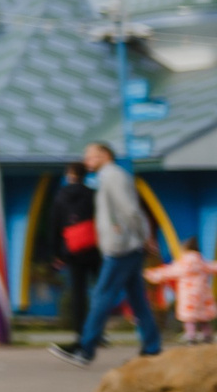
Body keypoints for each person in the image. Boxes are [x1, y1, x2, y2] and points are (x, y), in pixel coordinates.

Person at [55, 142, 162, 367]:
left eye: (90, 156)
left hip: (122, 247)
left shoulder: (114, 176)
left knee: (102, 295)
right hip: (124, 245)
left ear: (104, 155)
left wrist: (145, 237)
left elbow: (130, 210)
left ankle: (85, 348)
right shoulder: (107, 177)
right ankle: (152, 347)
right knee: (137, 300)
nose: (86, 161)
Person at [52, 162, 99, 331]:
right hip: (93, 247)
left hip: (72, 249)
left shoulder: (61, 196)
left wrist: (57, 253)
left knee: (78, 292)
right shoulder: (92, 194)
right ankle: (98, 330)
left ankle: (81, 331)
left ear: (69, 175)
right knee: (99, 290)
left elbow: (55, 225)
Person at [145, 237, 213, 347]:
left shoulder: (183, 263)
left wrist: (151, 274)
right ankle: (207, 336)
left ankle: (191, 337)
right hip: (203, 297)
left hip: (189, 298)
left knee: (189, 318)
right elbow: (213, 267)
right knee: (203, 317)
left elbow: (168, 272)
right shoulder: (202, 262)